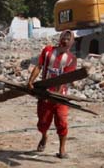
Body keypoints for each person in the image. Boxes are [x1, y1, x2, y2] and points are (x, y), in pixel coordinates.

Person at [27, 30, 77, 159]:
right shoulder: (48, 51)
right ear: (60, 41)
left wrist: (57, 95)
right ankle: (44, 136)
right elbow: (39, 66)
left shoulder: (71, 59)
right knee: (43, 123)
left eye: (68, 41)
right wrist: (30, 81)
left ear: (71, 44)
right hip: (44, 94)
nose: (65, 43)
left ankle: (62, 149)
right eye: (63, 41)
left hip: (60, 97)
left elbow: (64, 79)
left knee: (62, 122)